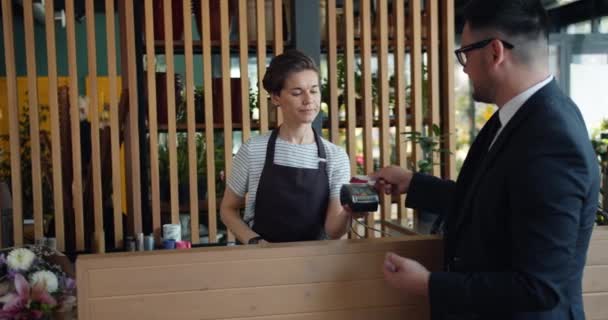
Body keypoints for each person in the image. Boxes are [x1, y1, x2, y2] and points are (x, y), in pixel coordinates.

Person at [374, 1, 601, 319]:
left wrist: (429, 284)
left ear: (495, 52)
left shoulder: (551, 138)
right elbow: (489, 204)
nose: (464, 67)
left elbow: (539, 288)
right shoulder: (518, 117)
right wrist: (414, 184)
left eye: (465, 53)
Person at [220, 50, 353, 245]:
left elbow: (333, 231)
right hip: (262, 261)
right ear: (276, 97)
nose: (309, 100)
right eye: (297, 92)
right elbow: (228, 209)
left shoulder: (336, 156)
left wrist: (351, 212)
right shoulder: (253, 150)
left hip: (316, 264)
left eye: (314, 90)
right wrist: (255, 242)